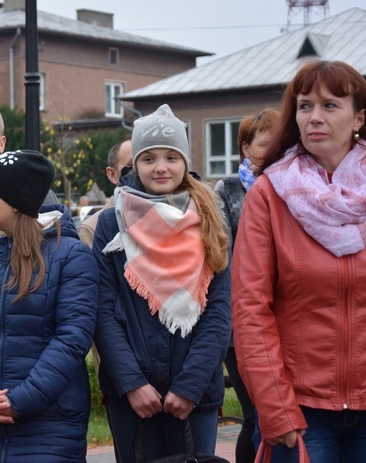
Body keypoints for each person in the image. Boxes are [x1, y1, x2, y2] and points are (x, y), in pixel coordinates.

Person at [232, 60, 366, 462]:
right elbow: (250, 309)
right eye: (304, 106)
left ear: (360, 117)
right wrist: (276, 409)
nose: (314, 117)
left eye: (330, 106)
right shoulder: (269, 195)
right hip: (300, 414)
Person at [0, 150, 99, 462]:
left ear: (15, 201)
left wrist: (21, 400)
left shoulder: (71, 256)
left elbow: (72, 338)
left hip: (49, 425)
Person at [93, 104, 231, 462]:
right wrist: (132, 384)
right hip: (132, 397)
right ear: (135, 164)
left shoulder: (211, 219)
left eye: (171, 156)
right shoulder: (112, 223)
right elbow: (103, 310)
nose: (160, 167)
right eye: (148, 158)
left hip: (195, 394)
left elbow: (219, 311)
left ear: (185, 161)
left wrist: (190, 386)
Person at [213, 108, 278, 463]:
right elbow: (221, 251)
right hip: (241, 320)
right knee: (256, 414)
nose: (271, 154)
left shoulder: (292, 184)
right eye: (263, 145)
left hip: (284, 317)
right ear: (245, 148)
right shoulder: (227, 189)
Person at [78, 138, 132, 247]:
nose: (141, 171)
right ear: (112, 175)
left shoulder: (170, 214)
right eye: (131, 167)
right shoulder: (92, 229)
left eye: (148, 160)